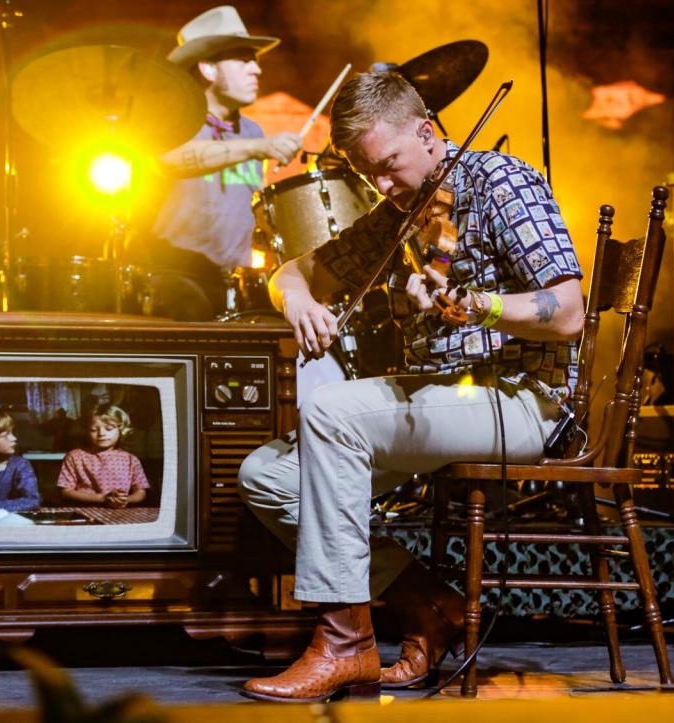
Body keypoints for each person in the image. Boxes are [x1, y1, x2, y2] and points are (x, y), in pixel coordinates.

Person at [238, 71, 585, 702]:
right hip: (444, 397)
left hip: (521, 399)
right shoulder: (399, 211)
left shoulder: (502, 181)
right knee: (266, 475)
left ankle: (346, 642)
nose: (384, 185)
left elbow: (567, 313)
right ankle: (429, 603)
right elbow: (293, 272)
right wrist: (297, 302)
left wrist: (479, 304)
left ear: (428, 133)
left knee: (332, 411)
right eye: (371, 173)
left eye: (390, 165)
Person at [134, 5, 302, 320]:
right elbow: (170, 160)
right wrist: (259, 148)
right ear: (208, 70)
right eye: (243, 61)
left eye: (255, 61)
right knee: (188, 309)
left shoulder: (253, 130)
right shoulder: (173, 122)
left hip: (239, 281)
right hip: (176, 276)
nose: (257, 70)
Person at [56, 404, 150, 508]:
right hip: (85, 511)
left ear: (121, 431)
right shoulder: (75, 456)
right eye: (93, 429)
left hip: (120, 513)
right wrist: (101, 498)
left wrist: (125, 500)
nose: (101, 433)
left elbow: (141, 492)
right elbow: (65, 492)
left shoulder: (130, 459)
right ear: (86, 431)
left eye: (108, 428)